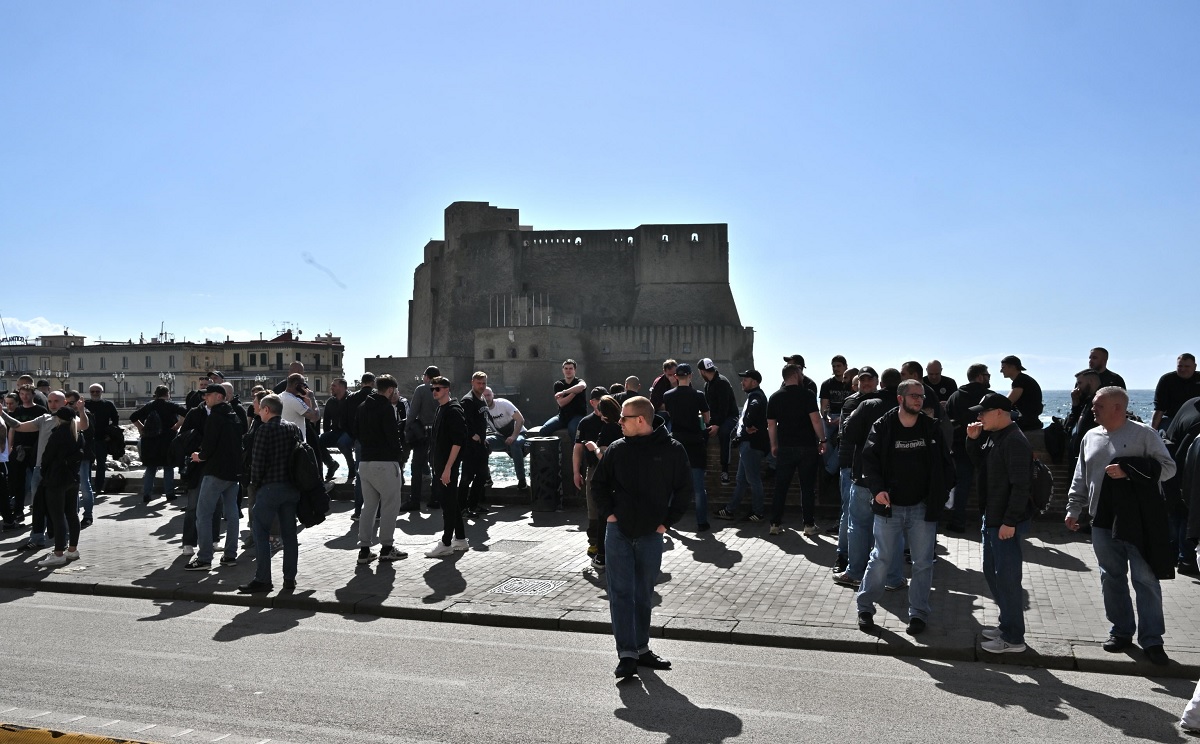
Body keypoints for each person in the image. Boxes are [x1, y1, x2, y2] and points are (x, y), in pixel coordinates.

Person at [1066, 386, 1176, 666]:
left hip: (1139, 521)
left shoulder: (1144, 434)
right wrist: (1073, 508)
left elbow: (1168, 468)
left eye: (1098, 405)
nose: (1092, 409)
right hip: (1101, 522)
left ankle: (1152, 641)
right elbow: (1081, 475)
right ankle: (1121, 632)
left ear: (1118, 407)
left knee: (1145, 580)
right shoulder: (1090, 436)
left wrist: (1130, 469)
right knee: (1111, 577)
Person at [592, 395, 692, 678]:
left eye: (623, 417)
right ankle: (627, 655)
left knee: (643, 594)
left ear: (640, 420)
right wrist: (610, 515)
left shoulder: (672, 450)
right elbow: (598, 485)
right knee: (620, 594)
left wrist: (666, 524)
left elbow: (685, 491)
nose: (618, 422)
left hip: (651, 534)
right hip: (618, 532)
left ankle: (641, 648)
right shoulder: (616, 449)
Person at [855, 379, 953, 635]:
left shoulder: (930, 428)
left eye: (921, 396)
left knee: (923, 563)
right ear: (901, 399)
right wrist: (878, 490)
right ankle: (865, 607)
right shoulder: (884, 426)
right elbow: (869, 461)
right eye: (913, 396)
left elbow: (945, 465)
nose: (919, 400)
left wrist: (939, 496)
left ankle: (918, 614)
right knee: (881, 558)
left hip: (922, 507)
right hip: (890, 507)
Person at [966, 393, 1034, 654]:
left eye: (983, 412)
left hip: (1004, 521)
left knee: (1007, 579)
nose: (979, 416)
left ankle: (1014, 638)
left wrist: (1010, 521)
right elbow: (980, 467)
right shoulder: (995, 436)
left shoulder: (1015, 440)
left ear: (999, 412)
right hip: (992, 517)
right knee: (993, 574)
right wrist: (972, 441)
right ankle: (1007, 625)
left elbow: (1021, 486)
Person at [238, 393, 303, 594]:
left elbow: (257, 463)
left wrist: (255, 486)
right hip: (291, 488)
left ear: (267, 410)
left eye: (259, 410)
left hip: (270, 488)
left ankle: (263, 579)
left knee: (260, 530)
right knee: (289, 535)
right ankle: (289, 579)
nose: (258, 413)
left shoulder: (264, 430)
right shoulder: (293, 428)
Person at [185, 384, 243, 572]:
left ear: (219, 396)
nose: (205, 399)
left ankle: (204, 558)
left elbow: (208, 447)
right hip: (233, 473)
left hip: (215, 472)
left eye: (208, 395)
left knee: (203, 514)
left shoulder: (215, 417)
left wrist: (198, 456)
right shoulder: (233, 415)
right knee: (232, 514)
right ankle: (230, 555)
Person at [767, 363, 827, 535]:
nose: (802, 376)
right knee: (807, 487)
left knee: (781, 487)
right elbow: (816, 420)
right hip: (807, 447)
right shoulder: (807, 395)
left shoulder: (775, 397)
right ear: (795, 374)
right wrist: (823, 440)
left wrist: (773, 445)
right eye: (800, 373)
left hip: (785, 447)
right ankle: (808, 525)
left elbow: (771, 425)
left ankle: (775, 524)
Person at [355, 374, 407, 564]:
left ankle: (364, 549)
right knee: (390, 505)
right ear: (391, 390)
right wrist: (400, 456)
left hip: (365, 462)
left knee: (368, 507)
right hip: (385, 462)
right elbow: (393, 437)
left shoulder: (361, 407)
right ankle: (386, 547)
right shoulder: (386, 408)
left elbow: (356, 432)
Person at [662, 363, 716, 531]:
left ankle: (667, 522)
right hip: (695, 442)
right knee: (698, 487)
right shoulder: (698, 395)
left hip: (676, 442)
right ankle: (702, 523)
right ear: (691, 376)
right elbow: (707, 419)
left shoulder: (668, 395)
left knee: (672, 485)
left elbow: (670, 415)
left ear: (676, 377)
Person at [574, 391, 622, 569]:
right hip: (619, 477)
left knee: (602, 514)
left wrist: (594, 447)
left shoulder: (609, 428)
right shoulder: (621, 425)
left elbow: (605, 456)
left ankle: (601, 554)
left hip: (605, 476)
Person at [34, 405, 85, 567]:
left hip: (56, 480)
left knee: (57, 517)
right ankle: (72, 549)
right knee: (72, 514)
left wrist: (44, 472)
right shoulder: (77, 434)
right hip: (72, 479)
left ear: (58, 418)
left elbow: (47, 457)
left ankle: (58, 553)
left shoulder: (57, 434)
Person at [944, 364, 993, 532]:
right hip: (987, 446)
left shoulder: (955, 396)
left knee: (963, 484)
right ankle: (990, 522)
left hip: (961, 446)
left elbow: (947, 423)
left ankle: (958, 521)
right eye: (987, 375)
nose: (989, 377)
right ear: (980, 376)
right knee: (991, 484)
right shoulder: (989, 397)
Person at [716, 370, 769, 522]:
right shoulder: (755, 395)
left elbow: (754, 407)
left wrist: (748, 424)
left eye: (746, 379)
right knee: (742, 479)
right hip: (749, 444)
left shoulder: (756, 396)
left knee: (753, 479)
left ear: (754, 382)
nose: (742, 382)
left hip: (751, 445)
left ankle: (758, 513)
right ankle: (730, 510)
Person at [425, 376, 470, 558]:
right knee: (451, 502)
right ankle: (460, 539)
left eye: (437, 388)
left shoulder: (453, 410)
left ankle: (445, 542)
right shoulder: (441, 409)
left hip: (447, 467)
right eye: (432, 389)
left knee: (448, 505)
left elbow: (458, 442)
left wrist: (448, 468)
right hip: (440, 465)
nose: (434, 391)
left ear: (446, 389)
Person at [130, 385, 187, 502]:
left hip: (150, 441)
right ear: (168, 394)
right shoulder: (171, 405)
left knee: (150, 468)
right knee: (168, 467)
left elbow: (133, 417)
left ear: (156, 394)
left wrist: (142, 428)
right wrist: (177, 426)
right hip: (167, 440)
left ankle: (147, 494)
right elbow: (186, 413)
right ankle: (169, 494)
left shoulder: (149, 406)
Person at [698, 358, 739, 485]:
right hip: (716, 418)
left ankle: (725, 470)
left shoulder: (722, 382)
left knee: (724, 433)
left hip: (730, 416)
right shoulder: (707, 385)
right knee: (701, 433)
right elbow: (708, 407)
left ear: (703, 371)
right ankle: (701, 467)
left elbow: (724, 408)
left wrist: (717, 425)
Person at [404, 366, 439, 510]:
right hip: (437, 434)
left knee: (416, 466)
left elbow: (412, 413)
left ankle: (415, 500)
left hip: (422, 434)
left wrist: (406, 429)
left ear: (427, 377)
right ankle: (435, 499)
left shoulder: (421, 389)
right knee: (436, 466)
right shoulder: (442, 389)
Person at [458, 372, 491, 517]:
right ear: (472, 382)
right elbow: (462, 421)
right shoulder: (468, 400)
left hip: (481, 445)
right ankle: (461, 508)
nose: (482, 386)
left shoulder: (482, 398)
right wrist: (473, 435)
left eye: (484, 383)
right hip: (470, 446)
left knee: (482, 475)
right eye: (479, 383)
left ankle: (473, 504)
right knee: (466, 477)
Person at [483, 386, 528, 491]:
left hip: (519, 434)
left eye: (488, 395)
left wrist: (513, 436)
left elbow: (520, 420)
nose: (487, 398)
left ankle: (522, 480)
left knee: (515, 444)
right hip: (501, 437)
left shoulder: (503, 404)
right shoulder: (482, 410)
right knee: (482, 444)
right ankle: (487, 478)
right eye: (484, 396)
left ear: (493, 395)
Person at [64, 391, 96, 528]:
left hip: (83, 455)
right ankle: (73, 514)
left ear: (78, 402)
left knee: (84, 485)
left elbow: (90, 434)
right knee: (72, 485)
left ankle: (88, 515)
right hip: (71, 455)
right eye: (66, 403)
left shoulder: (86, 414)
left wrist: (81, 412)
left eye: (71, 403)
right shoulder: (66, 414)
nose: (68, 406)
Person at [819, 356, 852, 477]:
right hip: (831, 415)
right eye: (834, 366)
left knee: (844, 440)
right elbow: (824, 406)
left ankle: (829, 470)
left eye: (839, 366)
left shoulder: (851, 385)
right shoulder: (827, 384)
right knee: (823, 437)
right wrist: (826, 417)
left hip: (846, 417)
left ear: (845, 366)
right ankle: (831, 467)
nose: (836, 368)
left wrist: (842, 419)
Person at [84, 383, 120, 495]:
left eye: (97, 391)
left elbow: (116, 419)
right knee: (87, 464)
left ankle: (99, 487)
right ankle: (87, 487)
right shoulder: (85, 404)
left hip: (102, 439)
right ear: (90, 393)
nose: (95, 393)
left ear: (101, 392)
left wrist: (111, 435)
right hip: (87, 440)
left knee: (101, 464)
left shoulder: (108, 404)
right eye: (93, 391)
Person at [540, 359, 588, 439]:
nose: (568, 371)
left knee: (573, 431)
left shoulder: (579, 381)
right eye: (566, 368)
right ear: (563, 370)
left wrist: (564, 392)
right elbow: (562, 403)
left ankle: (576, 451)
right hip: (562, 416)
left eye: (570, 368)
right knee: (544, 430)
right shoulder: (558, 384)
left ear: (574, 370)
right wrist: (574, 392)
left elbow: (581, 386)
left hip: (578, 415)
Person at [320, 378, 356, 484]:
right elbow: (326, 420)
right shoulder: (331, 402)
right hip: (336, 431)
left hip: (349, 432)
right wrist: (326, 434)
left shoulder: (351, 400)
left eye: (334, 386)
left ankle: (352, 467)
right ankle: (331, 464)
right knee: (319, 441)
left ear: (341, 387)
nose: (331, 388)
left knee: (342, 442)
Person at [1153, 354, 1200, 431]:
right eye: (1180, 366)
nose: (1183, 369)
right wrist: (1153, 432)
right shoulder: (1167, 380)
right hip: (1171, 419)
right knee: (1164, 437)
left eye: (1187, 366)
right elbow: (1159, 409)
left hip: (1196, 419)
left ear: (1195, 366)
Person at [1000, 355, 1043, 432]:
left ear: (1012, 367)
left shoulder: (1020, 381)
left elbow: (1007, 403)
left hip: (1028, 426)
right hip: (1031, 423)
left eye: (1003, 367)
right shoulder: (1023, 379)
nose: (1001, 370)